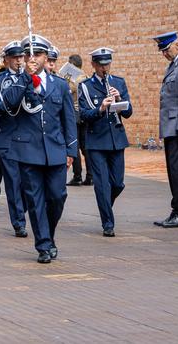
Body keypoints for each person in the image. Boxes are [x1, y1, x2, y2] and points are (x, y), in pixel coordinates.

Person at [1, 35, 77, 263]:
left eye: (39, 55)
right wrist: (26, 76)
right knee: (34, 200)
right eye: (29, 55)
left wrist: (71, 150)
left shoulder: (60, 85)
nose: (33, 59)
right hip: (27, 150)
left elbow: (68, 119)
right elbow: (9, 103)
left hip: (54, 149)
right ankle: (43, 244)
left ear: (47, 57)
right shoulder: (19, 82)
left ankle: (49, 235)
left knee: (57, 197)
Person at [78, 47, 132, 236]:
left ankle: (105, 206)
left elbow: (128, 112)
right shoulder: (85, 86)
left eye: (107, 64)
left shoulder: (118, 82)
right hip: (96, 141)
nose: (104, 68)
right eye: (100, 65)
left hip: (116, 139)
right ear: (93, 64)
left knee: (118, 183)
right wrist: (100, 108)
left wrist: (119, 98)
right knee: (102, 185)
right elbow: (84, 115)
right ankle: (107, 223)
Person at [0, 41, 28, 238]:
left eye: (21, 57)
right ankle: (18, 221)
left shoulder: (32, 77)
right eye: (15, 58)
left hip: (30, 138)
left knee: (28, 183)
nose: (19, 61)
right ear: (6, 60)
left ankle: (24, 208)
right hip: (8, 137)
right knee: (13, 182)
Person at [153, 31, 178, 228]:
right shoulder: (174, 66)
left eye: (167, 49)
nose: (164, 53)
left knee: (176, 170)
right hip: (172, 126)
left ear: (177, 44)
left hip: (177, 127)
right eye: (162, 51)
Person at [66, 54, 92, 186]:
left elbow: (66, 91)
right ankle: (90, 176)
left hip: (75, 114)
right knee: (85, 146)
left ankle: (77, 176)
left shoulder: (73, 80)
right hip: (85, 114)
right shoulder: (86, 77)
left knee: (74, 146)